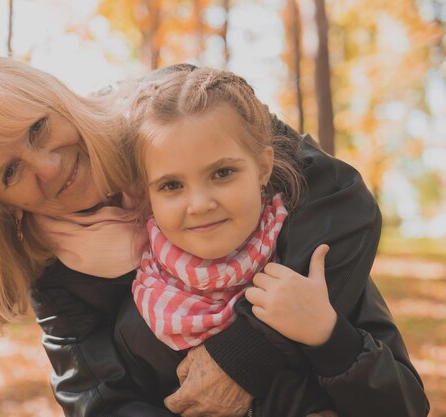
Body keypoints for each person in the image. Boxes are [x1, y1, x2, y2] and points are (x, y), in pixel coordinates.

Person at [0, 55, 429, 417]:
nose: (47, 166)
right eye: (11, 172)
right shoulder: (60, 280)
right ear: (0, 204)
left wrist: (244, 356)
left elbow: (338, 199)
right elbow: (103, 405)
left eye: (39, 128)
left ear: (57, 100)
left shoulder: (178, 107)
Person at [106, 67, 427, 417]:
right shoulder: (139, 322)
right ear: (147, 194)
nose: (199, 204)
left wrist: (330, 337)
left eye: (222, 173)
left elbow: (407, 406)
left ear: (262, 166)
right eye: (171, 185)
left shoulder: (315, 263)